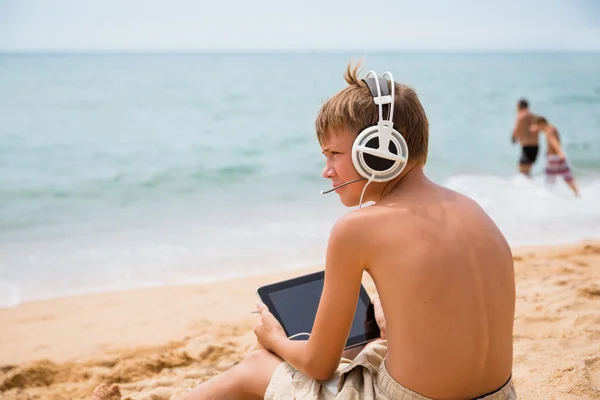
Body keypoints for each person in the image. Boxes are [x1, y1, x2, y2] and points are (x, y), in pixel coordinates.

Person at [184, 61, 517, 400]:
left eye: (333, 154)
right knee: (369, 344)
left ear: (378, 153)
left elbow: (318, 365)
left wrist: (273, 338)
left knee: (255, 367)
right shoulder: (470, 208)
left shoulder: (356, 229)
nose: (327, 171)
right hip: (499, 395)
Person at [530, 115, 579, 196]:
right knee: (567, 176)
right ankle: (577, 194)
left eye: (537, 126)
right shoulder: (552, 128)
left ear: (541, 123)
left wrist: (560, 152)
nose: (538, 129)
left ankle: (547, 196)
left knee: (548, 179)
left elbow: (553, 141)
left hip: (553, 158)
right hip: (558, 157)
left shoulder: (549, 131)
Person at [511, 98, 539, 177]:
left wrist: (513, 138)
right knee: (528, 172)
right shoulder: (534, 116)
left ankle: (524, 187)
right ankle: (530, 187)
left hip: (526, 146)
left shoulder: (521, 115)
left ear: (520, 106)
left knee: (521, 172)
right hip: (535, 147)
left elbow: (517, 128)